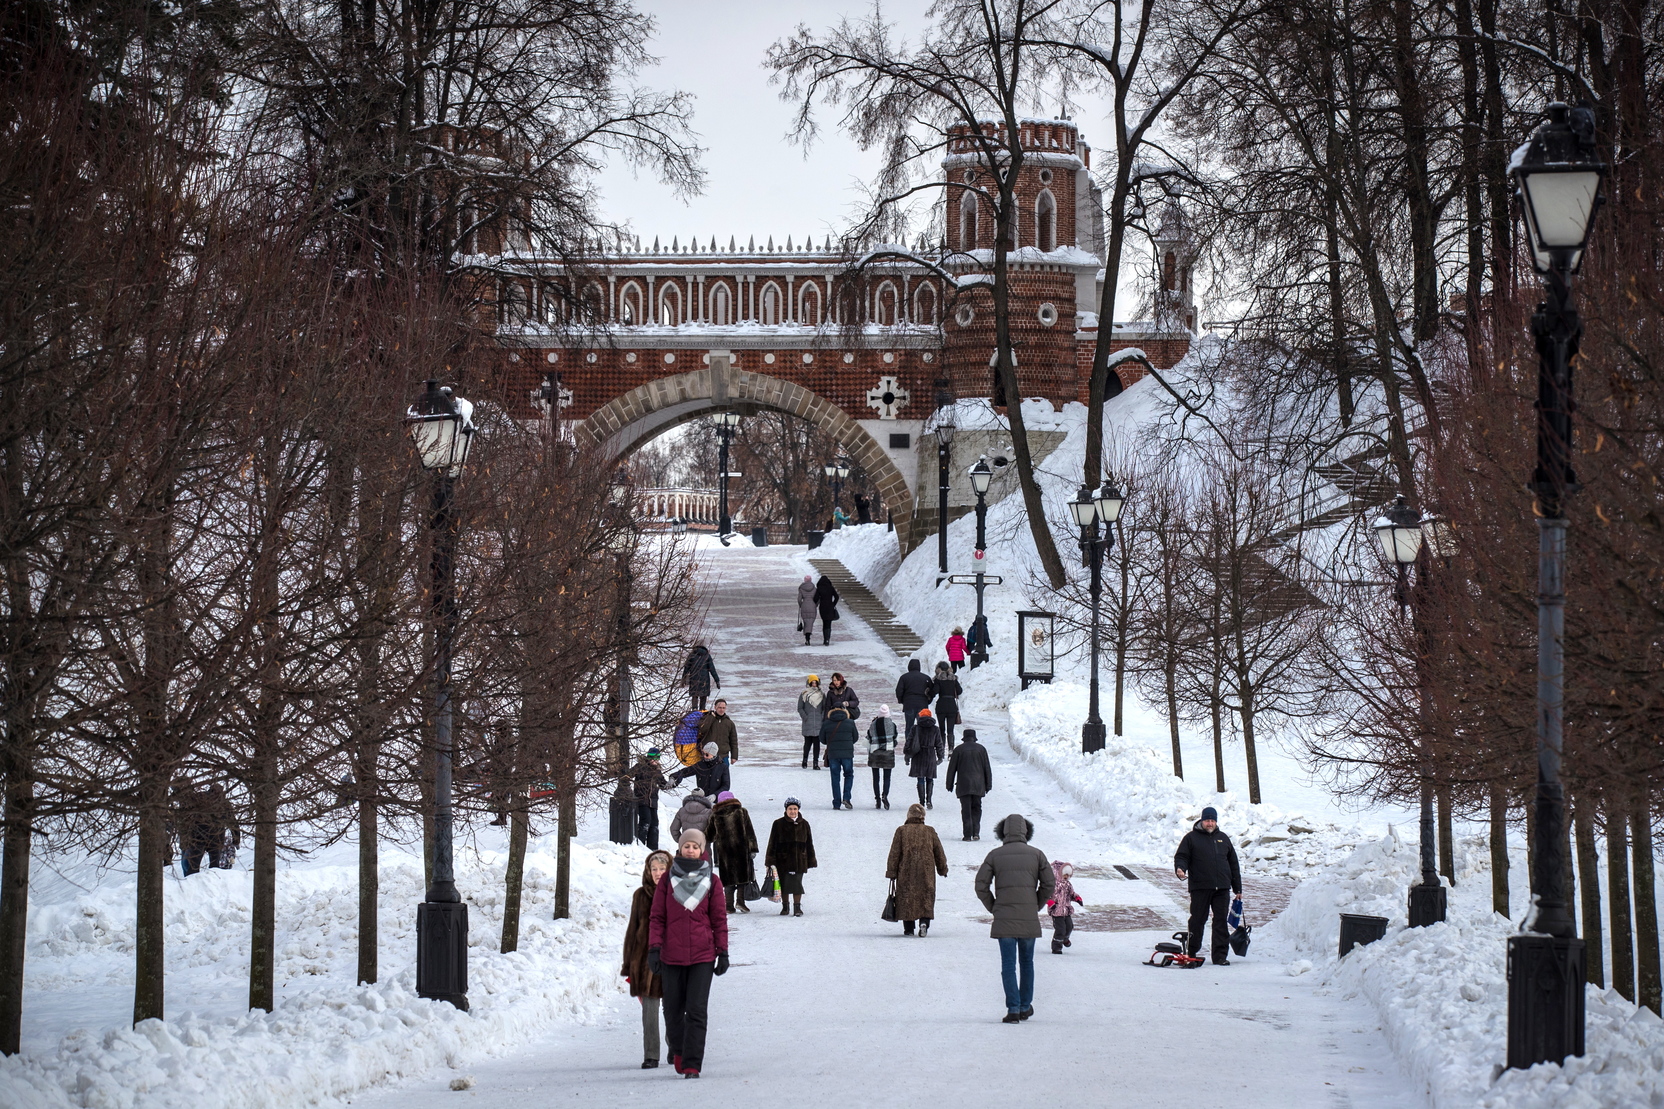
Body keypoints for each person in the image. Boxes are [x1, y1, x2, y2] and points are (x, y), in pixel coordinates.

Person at [648, 829, 729, 1079]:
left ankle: (692, 1064)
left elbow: (718, 918)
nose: (691, 850)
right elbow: (657, 917)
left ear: (702, 850)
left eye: (695, 846)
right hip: (671, 955)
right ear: (680, 849)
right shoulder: (667, 880)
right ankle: (680, 1050)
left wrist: (722, 951)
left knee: (696, 1010)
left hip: (703, 956)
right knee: (672, 1010)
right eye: (687, 846)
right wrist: (654, 948)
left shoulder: (712, 881)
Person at [975, 813, 1055, 1024]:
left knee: (1008, 965)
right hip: (1028, 918)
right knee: (1027, 963)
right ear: (1026, 832)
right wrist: (1035, 905)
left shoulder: (994, 855)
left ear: (1002, 832)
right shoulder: (1037, 855)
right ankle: (1025, 1006)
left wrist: (994, 907)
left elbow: (980, 885)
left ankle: (1013, 1009)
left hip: (1005, 919)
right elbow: (1049, 884)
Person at [1174, 805, 1242, 966]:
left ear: (1216, 822)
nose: (1210, 823)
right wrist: (1180, 868)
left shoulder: (1223, 838)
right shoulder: (1191, 838)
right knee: (1198, 920)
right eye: (1207, 820)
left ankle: (1220, 956)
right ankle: (1191, 951)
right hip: (1200, 887)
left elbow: (1233, 864)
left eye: (1212, 820)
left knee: (1220, 922)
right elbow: (1182, 856)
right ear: (1202, 821)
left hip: (1222, 888)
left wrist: (1237, 888)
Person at [622, 849, 671, 1067]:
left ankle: (675, 1046)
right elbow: (633, 929)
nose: (658, 873)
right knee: (649, 1010)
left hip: (672, 958)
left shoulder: (677, 892)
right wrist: (628, 965)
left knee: (673, 1008)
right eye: (654, 869)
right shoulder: (640, 895)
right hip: (645, 960)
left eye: (662, 868)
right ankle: (651, 1054)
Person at [886, 803, 949, 937]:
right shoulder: (930, 831)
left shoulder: (901, 830)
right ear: (922, 816)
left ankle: (908, 929)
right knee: (925, 896)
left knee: (906, 897)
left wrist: (892, 872)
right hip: (926, 871)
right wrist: (942, 869)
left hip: (906, 871)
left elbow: (894, 853)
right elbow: (939, 852)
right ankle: (924, 922)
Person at [706, 791, 758, 914]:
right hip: (741, 849)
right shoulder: (742, 811)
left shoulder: (715, 815)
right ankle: (740, 902)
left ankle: (728, 906)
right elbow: (749, 831)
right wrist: (753, 848)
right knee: (742, 877)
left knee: (728, 878)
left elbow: (709, 836)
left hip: (724, 852)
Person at [765, 798, 816, 916]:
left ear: (798, 810)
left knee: (797, 883)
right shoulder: (778, 824)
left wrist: (811, 859)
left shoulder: (805, 824)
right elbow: (772, 842)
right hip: (783, 859)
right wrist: (770, 860)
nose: (792, 811)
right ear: (786, 810)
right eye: (790, 809)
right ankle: (785, 907)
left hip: (800, 860)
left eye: (795, 809)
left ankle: (797, 907)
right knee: (784, 883)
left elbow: (809, 843)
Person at [944, 727, 992, 840]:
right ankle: (976, 832)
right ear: (974, 738)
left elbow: (952, 769)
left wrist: (949, 784)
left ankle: (967, 835)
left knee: (966, 809)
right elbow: (987, 768)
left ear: (964, 738)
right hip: (978, 784)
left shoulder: (958, 750)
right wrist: (988, 784)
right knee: (977, 808)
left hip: (963, 784)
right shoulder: (981, 749)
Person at [629, 748, 670, 849]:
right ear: (648, 758)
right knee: (646, 820)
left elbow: (663, 784)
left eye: (657, 758)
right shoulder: (640, 767)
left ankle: (653, 847)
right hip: (642, 799)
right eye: (653, 758)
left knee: (654, 823)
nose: (655, 760)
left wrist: (672, 783)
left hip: (653, 801)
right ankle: (640, 845)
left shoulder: (657, 771)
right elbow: (629, 774)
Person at [904, 707, 944, 809]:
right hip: (930, 754)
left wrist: (907, 755)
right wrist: (940, 756)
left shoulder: (915, 728)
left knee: (920, 778)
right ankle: (929, 800)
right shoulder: (935, 729)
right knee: (930, 778)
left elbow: (909, 742)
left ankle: (921, 801)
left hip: (918, 755)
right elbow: (939, 744)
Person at [820, 706, 858, 810]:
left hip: (833, 754)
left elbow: (822, 740)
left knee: (835, 778)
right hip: (847, 754)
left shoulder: (826, 723)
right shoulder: (850, 722)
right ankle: (846, 798)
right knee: (849, 775)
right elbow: (855, 738)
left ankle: (836, 803)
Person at [1047, 861, 1084, 954]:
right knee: (1060, 929)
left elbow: (1071, 894)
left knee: (1069, 926)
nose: (1066, 877)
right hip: (1056, 910)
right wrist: (1051, 903)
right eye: (1065, 875)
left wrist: (1077, 898)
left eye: (1068, 875)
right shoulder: (1053, 885)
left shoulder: (1068, 885)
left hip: (1066, 909)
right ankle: (1056, 947)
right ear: (1059, 874)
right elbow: (1046, 896)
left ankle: (1065, 939)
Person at [867, 704, 898, 810]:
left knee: (876, 778)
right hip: (888, 752)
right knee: (887, 777)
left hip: (875, 752)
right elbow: (895, 737)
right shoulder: (892, 724)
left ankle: (877, 799)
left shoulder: (873, 724)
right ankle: (885, 795)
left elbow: (869, 737)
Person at [894, 658, 935, 737]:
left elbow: (899, 691)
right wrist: (928, 701)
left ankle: (909, 744)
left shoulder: (904, 677)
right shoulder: (925, 678)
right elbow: (932, 691)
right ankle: (922, 743)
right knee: (923, 725)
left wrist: (902, 700)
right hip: (922, 704)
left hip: (909, 704)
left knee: (909, 726)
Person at [697, 699, 739, 769]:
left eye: (723, 708)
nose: (721, 710)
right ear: (715, 707)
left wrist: (734, 756)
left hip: (723, 756)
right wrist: (711, 717)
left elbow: (733, 741)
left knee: (724, 778)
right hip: (708, 756)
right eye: (720, 708)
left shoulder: (729, 723)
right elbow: (702, 729)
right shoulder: (707, 718)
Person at [796, 675, 825, 769]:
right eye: (812, 682)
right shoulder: (804, 694)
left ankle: (815, 763)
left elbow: (824, 708)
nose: (814, 684)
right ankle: (804, 761)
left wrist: (822, 717)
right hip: (807, 723)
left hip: (818, 723)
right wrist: (805, 717)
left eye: (815, 682)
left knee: (817, 744)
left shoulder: (822, 694)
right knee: (807, 743)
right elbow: (800, 708)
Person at [932, 662, 963, 749]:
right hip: (952, 706)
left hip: (941, 705)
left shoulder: (938, 680)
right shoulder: (953, 679)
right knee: (950, 730)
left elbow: (935, 691)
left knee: (942, 729)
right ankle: (951, 749)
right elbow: (959, 691)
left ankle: (941, 748)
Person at [682, 644, 719, 711]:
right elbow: (712, 669)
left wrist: (683, 679)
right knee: (703, 697)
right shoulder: (707, 656)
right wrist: (717, 681)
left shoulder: (692, 655)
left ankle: (694, 710)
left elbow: (686, 668)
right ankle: (702, 712)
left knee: (694, 696)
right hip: (704, 681)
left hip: (694, 680)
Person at [812, 574, 841, 645]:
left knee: (824, 623)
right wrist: (833, 604)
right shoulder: (831, 588)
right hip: (830, 607)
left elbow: (815, 598)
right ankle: (827, 639)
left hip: (823, 607)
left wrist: (815, 603)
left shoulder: (819, 588)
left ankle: (825, 639)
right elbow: (837, 597)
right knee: (829, 623)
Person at [796, 576, 818, 646]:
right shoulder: (814, 588)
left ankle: (807, 638)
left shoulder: (801, 588)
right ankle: (808, 637)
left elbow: (799, 599)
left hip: (804, 606)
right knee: (810, 623)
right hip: (812, 606)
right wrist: (815, 605)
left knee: (805, 622)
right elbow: (818, 598)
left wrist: (801, 605)